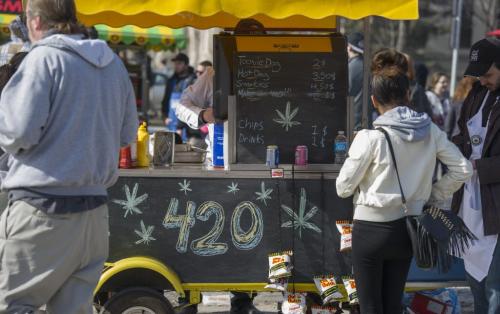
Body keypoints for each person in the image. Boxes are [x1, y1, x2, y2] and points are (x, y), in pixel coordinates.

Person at [0, 0, 138, 312]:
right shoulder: (113, 63)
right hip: (92, 213)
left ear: (35, 22)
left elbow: (17, 132)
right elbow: (127, 135)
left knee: (13, 305)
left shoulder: (43, 59)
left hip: (43, 208)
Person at [336, 66, 472, 314]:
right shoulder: (431, 131)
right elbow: (463, 169)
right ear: (408, 95)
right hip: (408, 229)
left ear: (374, 100)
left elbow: (343, 188)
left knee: (369, 306)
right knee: (392, 305)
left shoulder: (370, 137)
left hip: (370, 232)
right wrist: (433, 195)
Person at [450, 37, 500, 314]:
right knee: (474, 279)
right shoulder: (476, 96)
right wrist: (453, 154)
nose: (483, 80)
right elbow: (460, 134)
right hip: (470, 200)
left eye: (489, 74)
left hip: (496, 205)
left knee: (495, 284)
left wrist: (480, 168)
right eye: (479, 74)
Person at [162, 52, 196, 133]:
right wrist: (165, 117)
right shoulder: (171, 81)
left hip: (186, 127)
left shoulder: (193, 81)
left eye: (179, 63)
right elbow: (165, 100)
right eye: (175, 63)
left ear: (186, 65)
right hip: (171, 123)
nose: (176, 66)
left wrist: (181, 126)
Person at [347, 32, 365, 130]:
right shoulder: (369, 67)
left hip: (352, 122)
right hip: (369, 120)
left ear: (349, 47)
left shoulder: (349, 67)